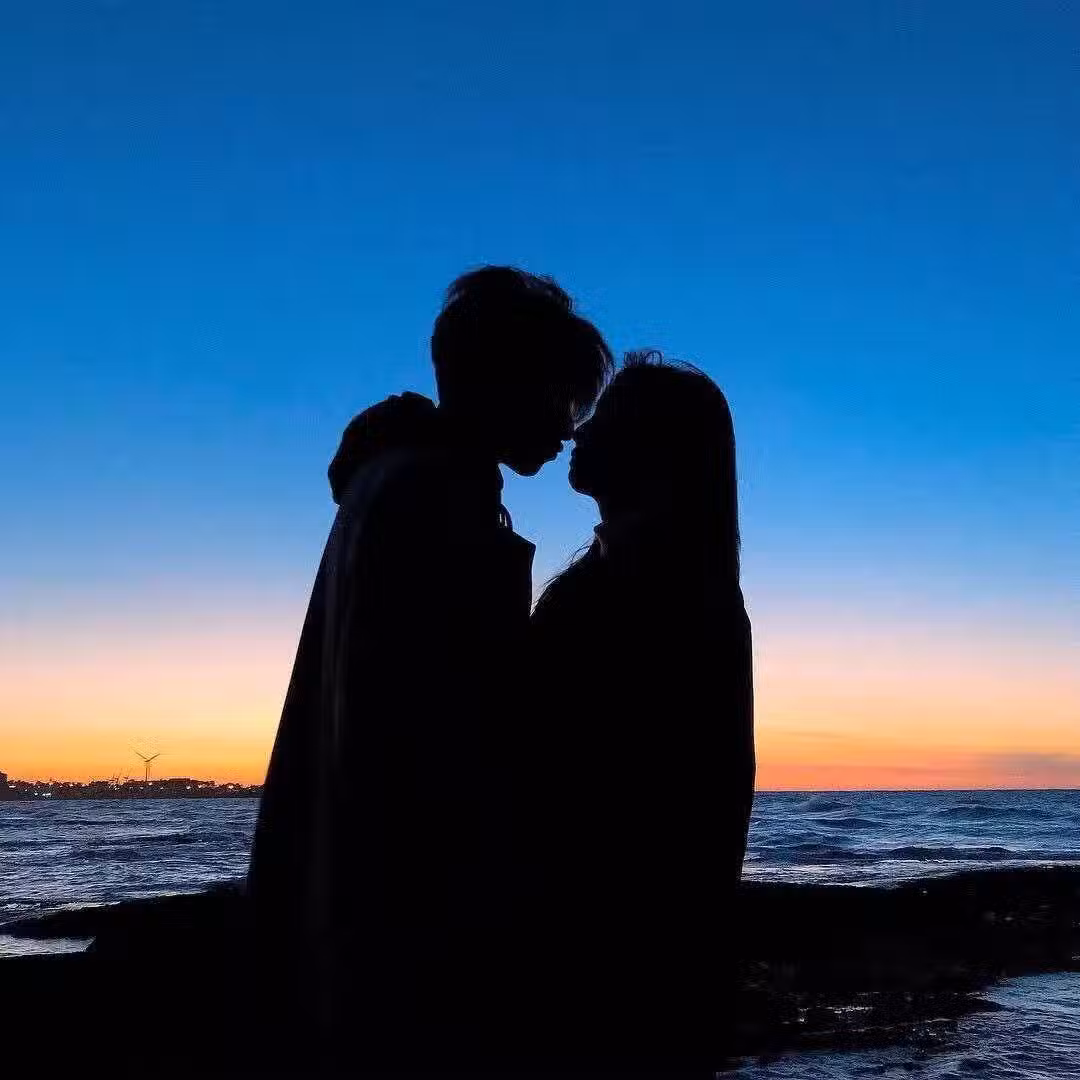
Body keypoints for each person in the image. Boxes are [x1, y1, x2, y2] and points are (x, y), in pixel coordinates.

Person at [246, 267, 612, 1069]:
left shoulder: (395, 478)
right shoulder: (441, 498)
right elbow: (452, 730)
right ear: (507, 379)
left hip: (354, 904)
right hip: (412, 915)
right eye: (563, 397)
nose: (570, 427)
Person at [527, 350, 755, 1071]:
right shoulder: (650, 579)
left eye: (605, 417)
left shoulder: (662, 593)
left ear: (654, 450)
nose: (579, 430)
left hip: (609, 967)